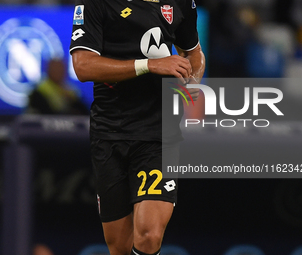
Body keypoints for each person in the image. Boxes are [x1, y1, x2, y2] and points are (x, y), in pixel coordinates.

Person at [69, 0, 205, 254]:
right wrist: (149, 65)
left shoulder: (181, 3)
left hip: (159, 132)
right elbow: (83, 66)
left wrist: (190, 91)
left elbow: (193, 54)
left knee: (149, 236)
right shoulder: (95, 4)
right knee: (120, 246)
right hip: (110, 132)